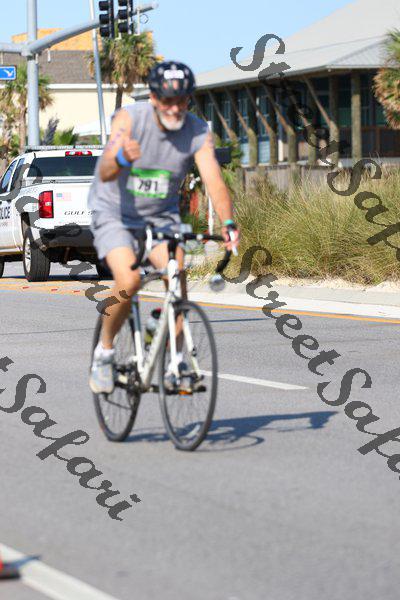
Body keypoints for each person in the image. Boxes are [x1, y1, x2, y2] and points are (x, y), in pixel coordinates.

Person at [88, 60, 239, 394]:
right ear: (154, 98)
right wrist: (122, 158)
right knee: (129, 281)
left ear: (189, 100)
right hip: (115, 214)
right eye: (167, 100)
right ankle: (105, 352)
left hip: (161, 218)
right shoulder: (130, 119)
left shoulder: (197, 131)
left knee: (177, 279)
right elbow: (106, 169)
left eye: (181, 100)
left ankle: (176, 362)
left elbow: (213, 179)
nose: (174, 108)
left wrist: (228, 223)